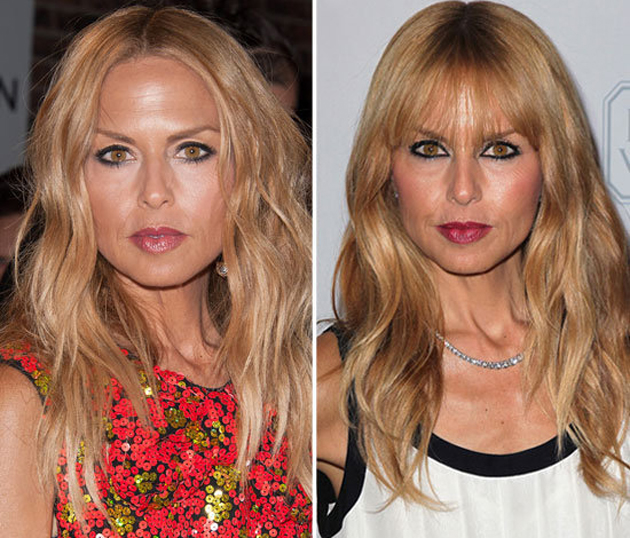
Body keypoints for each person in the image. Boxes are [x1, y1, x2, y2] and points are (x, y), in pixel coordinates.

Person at [317, 1, 630, 536]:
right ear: (386, 170)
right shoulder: (326, 386)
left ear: (553, 167)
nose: (463, 189)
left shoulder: (617, 363)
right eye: (429, 148)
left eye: (499, 149)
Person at [0, 6, 311, 537]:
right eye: (115, 154)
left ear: (248, 170)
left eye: (192, 150)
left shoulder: (295, 380)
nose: (154, 192)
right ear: (72, 182)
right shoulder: (29, 401)